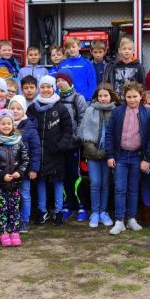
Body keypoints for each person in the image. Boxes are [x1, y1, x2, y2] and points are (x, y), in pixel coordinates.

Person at [106, 82, 150, 235]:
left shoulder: (147, 113)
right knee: (120, 189)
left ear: (141, 97)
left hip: (137, 156)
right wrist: (110, 155)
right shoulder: (118, 112)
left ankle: (132, 218)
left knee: (133, 189)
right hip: (120, 155)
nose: (132, 99)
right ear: (124, 97)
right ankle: (119, 220)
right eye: (129, 97)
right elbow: (109, 133)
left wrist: (147, 159)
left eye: (135, 96)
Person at [27, 75, 73, 226]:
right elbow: (28, 128)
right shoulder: (33, 108)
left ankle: (58, 212)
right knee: (40, 181)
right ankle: (42, 211)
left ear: (54, 88)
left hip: (56, 153)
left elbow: (67, 130)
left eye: (49, 87)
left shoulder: (61, 108)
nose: (46, 90)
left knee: (58, 181)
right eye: (43, 87)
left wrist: (60, 146)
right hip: (38, 152)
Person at [78, 83, 120, 228]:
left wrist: (107, 153)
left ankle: (104, 211)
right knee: (95, 183)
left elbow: (118, 135)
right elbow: (84, 134)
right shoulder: (90, 110)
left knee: (106, 183)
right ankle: (95, 212)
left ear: (111, 96)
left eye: (105, 96)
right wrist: (94, 152)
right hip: (92, 154)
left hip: (109, 155)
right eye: (100, 96)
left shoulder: (116, 111)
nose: (102, 98)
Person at [0, 110, 30, 247]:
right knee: (2, 209)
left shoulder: (18, 141)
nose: (6, 126)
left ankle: (14, 231)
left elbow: (25, 160)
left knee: (14, 208)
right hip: (0, 183)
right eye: (3, 123)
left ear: (13, 125)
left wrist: (20, 172)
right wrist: (1, 175)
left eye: (8, 123)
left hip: (15, 183)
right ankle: (4, 232)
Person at [55, 69, 88, 221]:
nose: (60, 83)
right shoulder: (55, 99)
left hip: (74, 145)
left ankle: (81, 206)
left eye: (62, 80)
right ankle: (66, 205)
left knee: (76, 176)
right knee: (63, 176)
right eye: (58, 80)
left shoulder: (78, 98)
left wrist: (77, 137)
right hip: (60, 146)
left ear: (69, 81)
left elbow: (83, 119)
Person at [8, 95, 40, 234]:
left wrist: (34, 168)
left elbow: (36, 149)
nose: (15, 111)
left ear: (24, 110)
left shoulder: (30, 128)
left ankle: (24, 220)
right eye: (12, 108)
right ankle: (11, 219)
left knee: (25, 194)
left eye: (18, 108)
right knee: (10, 195)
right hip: (9, 169)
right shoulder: (4, 124)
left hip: (25, 169)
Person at [60, 37, 97, 102]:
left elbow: (92, 82)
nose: (71, 49)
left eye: (73, 47)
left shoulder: (86, 63)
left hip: (84, 99)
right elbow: (59, 83)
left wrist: (89, 98)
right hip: (66, 100)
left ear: (79, 47)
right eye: (69, 48)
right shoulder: (63, 65)